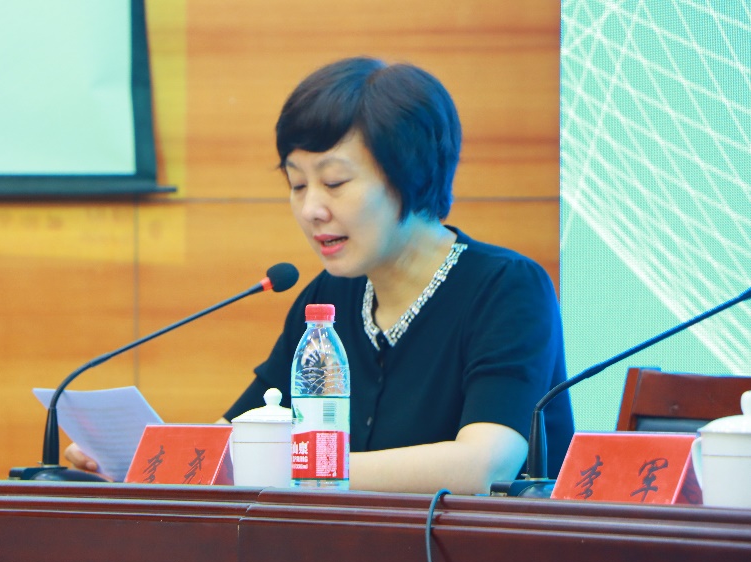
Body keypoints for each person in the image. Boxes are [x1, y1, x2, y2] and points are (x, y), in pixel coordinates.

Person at [66, 56, 574, 495]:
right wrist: (141, 463)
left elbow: (484, 464)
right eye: (296, 184)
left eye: (334, 182)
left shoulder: (507, 289)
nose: (311, 209)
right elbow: (232, 441)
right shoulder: (330, 299)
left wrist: (293, 469)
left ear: (411, 176)